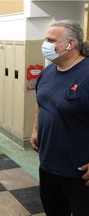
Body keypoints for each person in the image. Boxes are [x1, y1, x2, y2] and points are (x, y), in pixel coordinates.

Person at [30, 20, 89, 215]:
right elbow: (41, 102)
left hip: (78, 172)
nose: (45, 44)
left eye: (50, 40)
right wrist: (35, 129)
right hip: (48, 165)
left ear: (70, 44)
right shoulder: (48, 71)